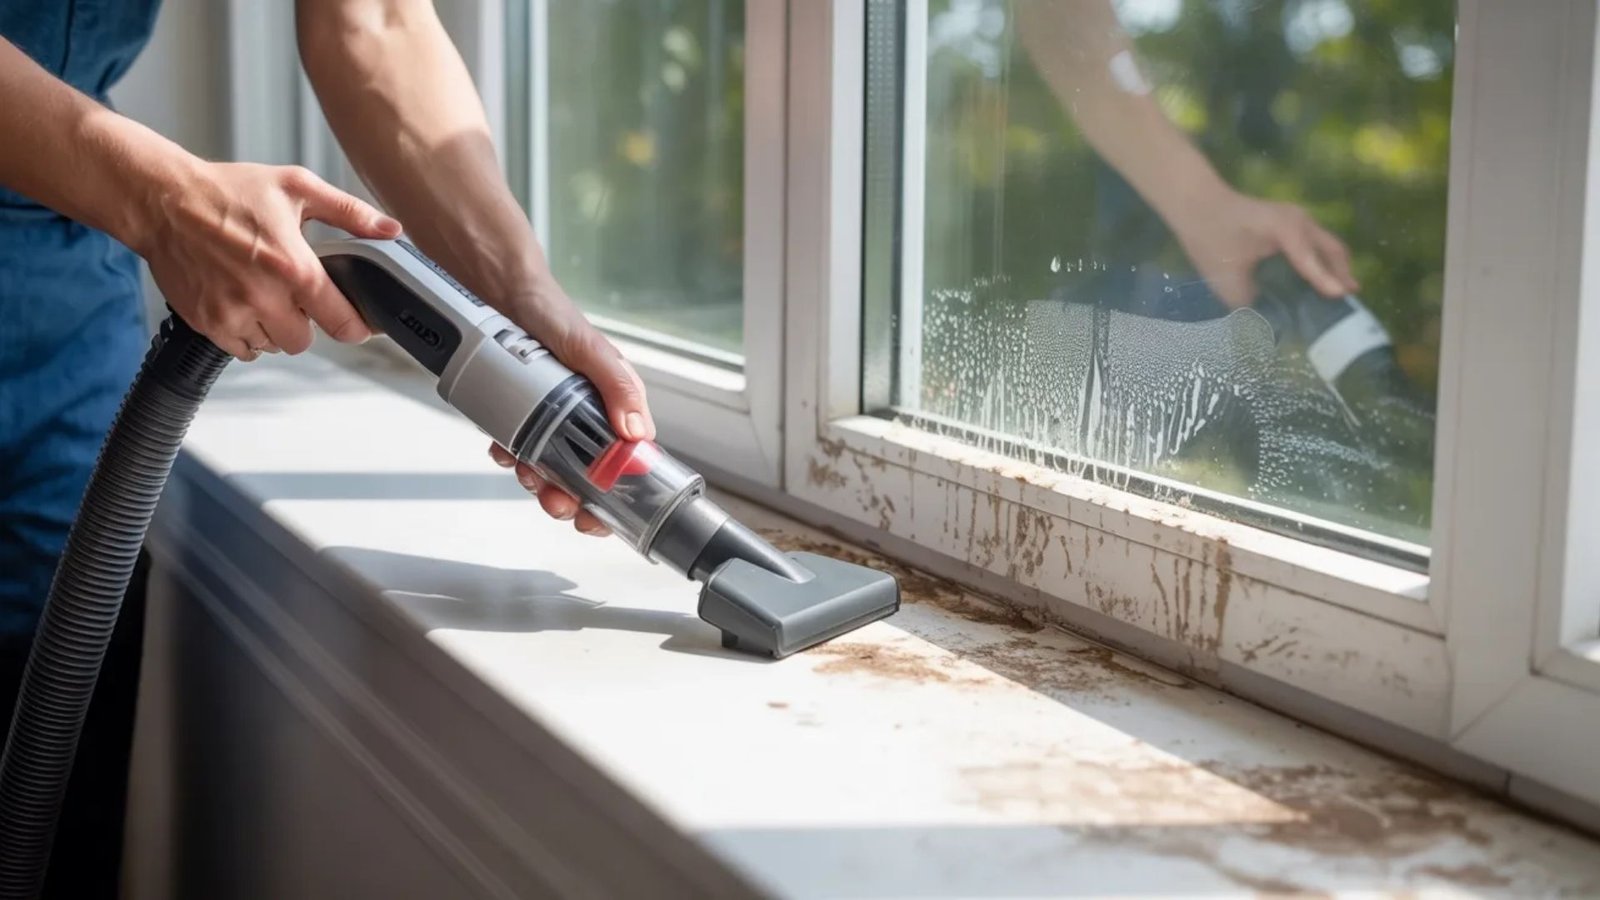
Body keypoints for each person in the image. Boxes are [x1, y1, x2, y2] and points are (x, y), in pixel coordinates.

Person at [0, 1, 650, 893]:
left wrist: (519, 301)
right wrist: (157, 194)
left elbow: (374, 20)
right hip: (94, 193)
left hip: (58, 278)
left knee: (51, 757)